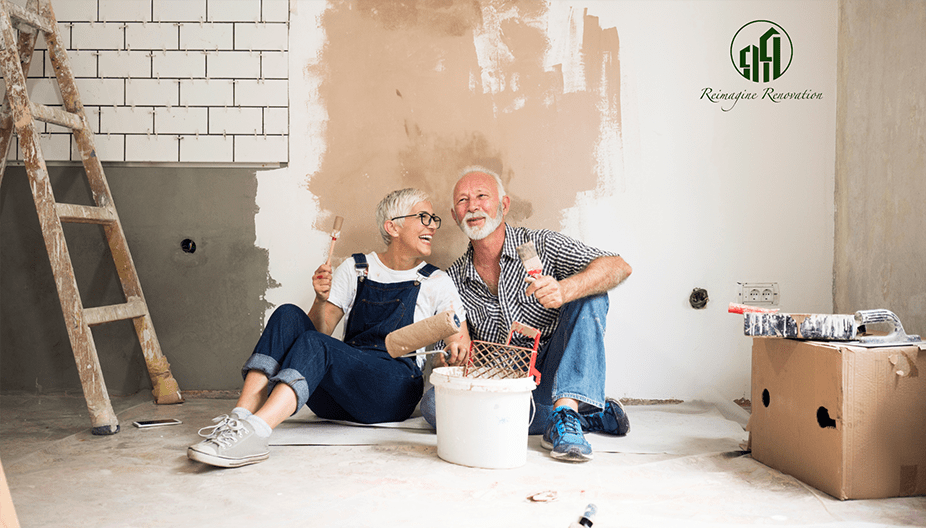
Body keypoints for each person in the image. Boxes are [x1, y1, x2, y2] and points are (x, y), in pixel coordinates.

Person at [188, 188, 470, 468]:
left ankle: (257, 432)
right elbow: (318, 333)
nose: (432, 225)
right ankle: (238, 420)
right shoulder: (356, 267)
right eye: (423, 217)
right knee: (287, 314)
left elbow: (461, 342)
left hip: (390, 393)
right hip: (339, 393)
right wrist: (320, 299)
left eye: (434, 219)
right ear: (392, 226)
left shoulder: (436, 281)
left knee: (316, 345)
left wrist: (453, 352)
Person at [421, 167, 632, 463]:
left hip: (554, 375)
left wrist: (564, 289)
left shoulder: (542, 245)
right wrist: (452, 359)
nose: (472, 206)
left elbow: (618, 266)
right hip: (504, 384)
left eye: (482, 196)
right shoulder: (452, 279)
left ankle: (568, 409)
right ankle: (577, 417)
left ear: (503, 205)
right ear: (456, 216)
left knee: (592, 293)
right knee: (433, 407)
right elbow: (461, 348)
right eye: (462, 201)